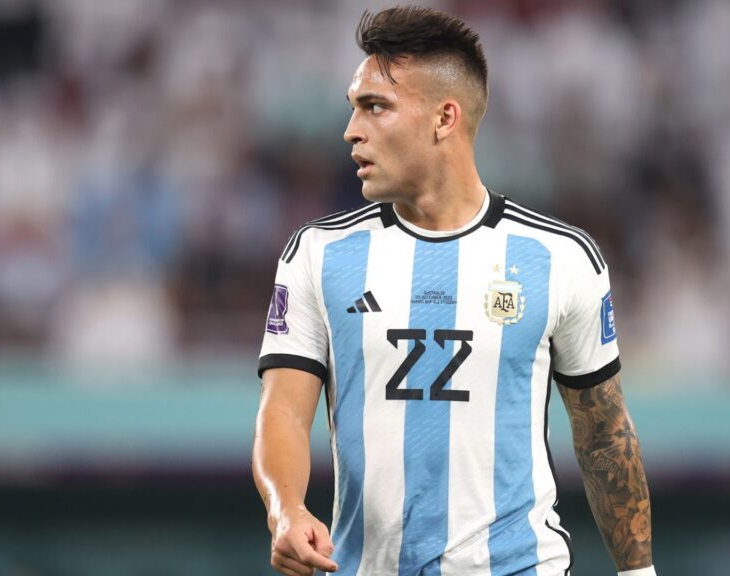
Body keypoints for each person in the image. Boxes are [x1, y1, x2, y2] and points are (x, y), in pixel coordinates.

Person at [252, 6, 656, 576]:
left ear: (445, 118)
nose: (351, 130)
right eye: (354, 107)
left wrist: (639, 573)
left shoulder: (560, 258)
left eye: (375, 106)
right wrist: (286, 510)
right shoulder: (318, 254)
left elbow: (604, 436)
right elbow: (284, 412)